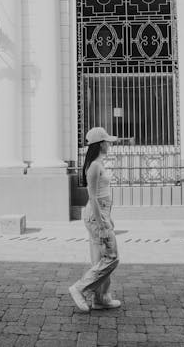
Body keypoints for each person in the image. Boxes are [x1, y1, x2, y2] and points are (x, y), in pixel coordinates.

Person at [69, 127, 121, 312]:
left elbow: (102, 195)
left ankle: (100, 299)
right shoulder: (94, 166)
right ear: (100, 144)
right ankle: (80, 288)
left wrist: (108, 217)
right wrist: (101, 222)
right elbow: (93, 197)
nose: (110, 144)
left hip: (101, 213)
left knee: (100, 259)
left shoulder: (99, 164)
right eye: (107, 141)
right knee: (112, 257)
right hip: (96, 216)